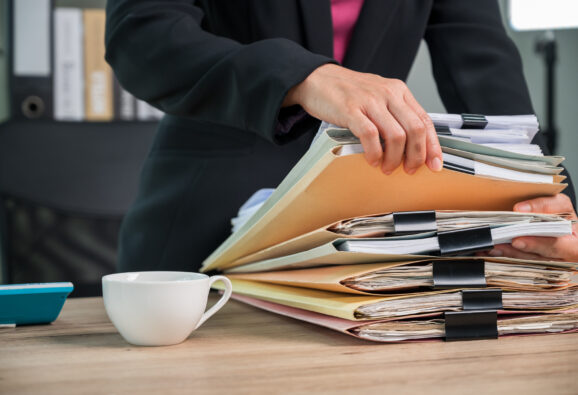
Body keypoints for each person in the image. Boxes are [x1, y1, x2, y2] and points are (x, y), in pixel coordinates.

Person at [104, 0, 578, 272]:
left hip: (367, 246)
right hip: (205, 234)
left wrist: (553, 205)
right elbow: (141, 35)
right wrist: (304, 77)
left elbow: (487, 79)